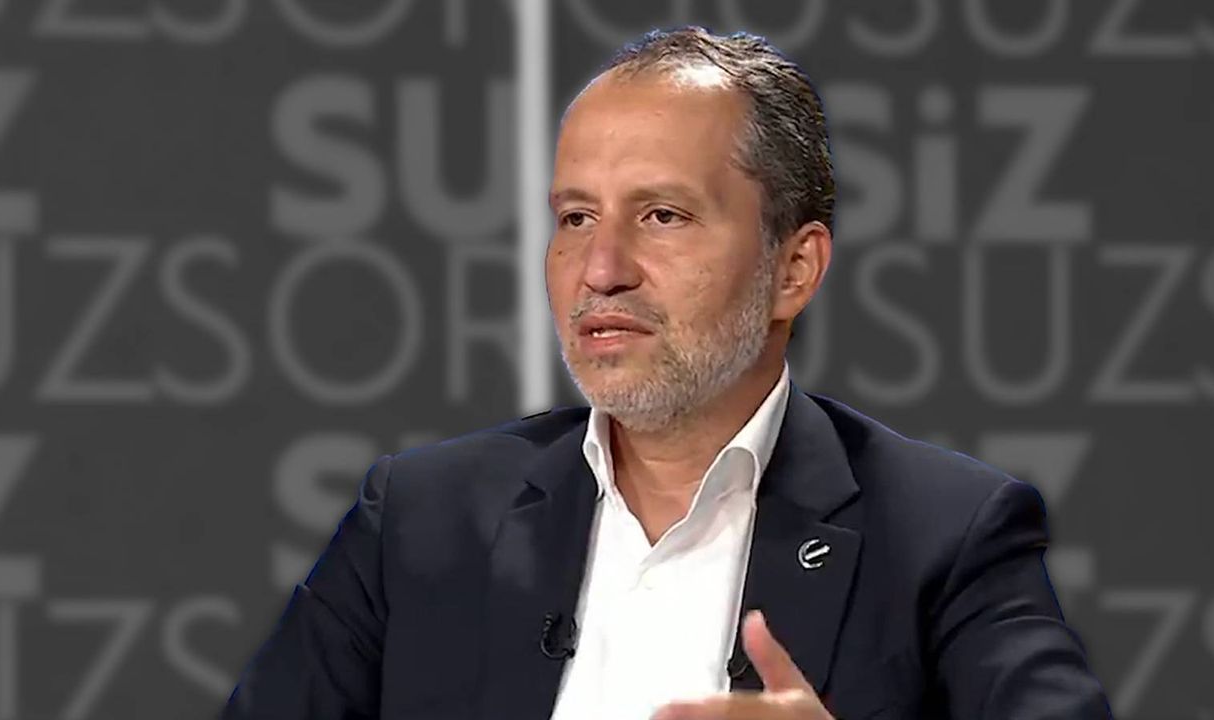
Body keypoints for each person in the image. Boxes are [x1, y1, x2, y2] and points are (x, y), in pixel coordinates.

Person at [223, 27, 1112, 720]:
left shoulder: (944, 538)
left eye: (662, 215)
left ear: (794, 269)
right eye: (576, 217)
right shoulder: (419, 520)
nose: (601, 269)